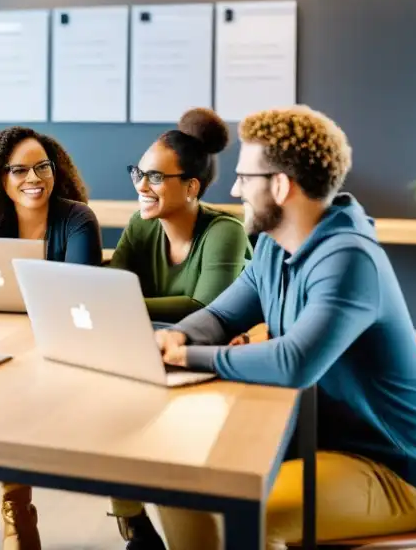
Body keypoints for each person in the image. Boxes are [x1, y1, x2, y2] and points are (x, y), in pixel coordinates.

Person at [153, 106, 416, 550]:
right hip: (306, 438)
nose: (234, 189)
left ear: (280, 185)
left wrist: (187, 356)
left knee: (231, 510)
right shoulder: (272, 243)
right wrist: (179, 335)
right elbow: (221, 316)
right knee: (175, 482)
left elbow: (294, 363)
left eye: (244, 178)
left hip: (387, 471)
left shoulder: (350, 258)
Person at [106, 108, 252, 549]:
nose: (140, 186)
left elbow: (203, 306)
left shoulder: (224, 231)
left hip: (215, 367)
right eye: (138, 172)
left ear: (191, 187)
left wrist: (124, 302)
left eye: (154, 177)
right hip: (154, 356)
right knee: (110, 407)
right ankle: (134, 528)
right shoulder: (141, 225)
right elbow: (113, 288)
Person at [0, 126, 103, 550]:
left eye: (42, 166)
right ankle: (16, 511)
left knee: (11, 394)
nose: (33, 178)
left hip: (60, 347)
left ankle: (15, 511)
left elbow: (78, 295)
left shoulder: (77, 218)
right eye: (18, 170)